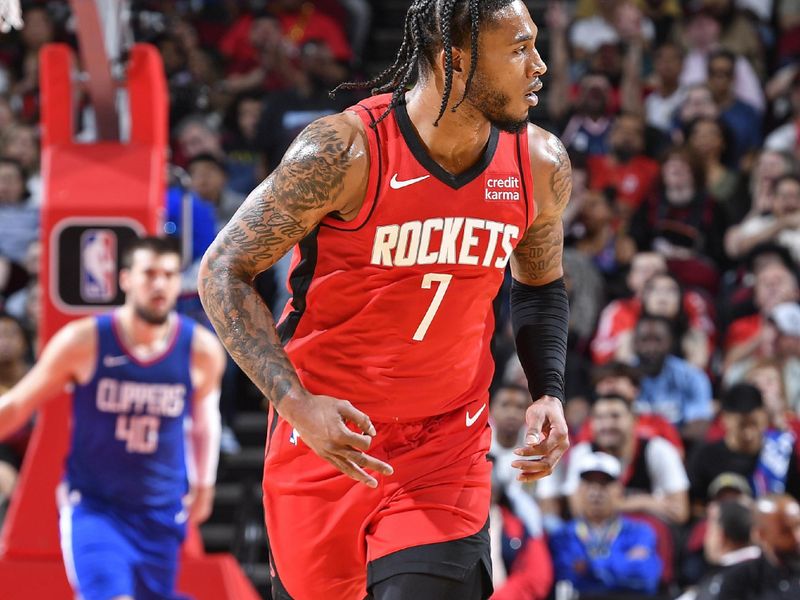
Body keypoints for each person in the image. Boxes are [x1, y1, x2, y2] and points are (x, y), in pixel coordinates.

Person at [197, 1, 571, 598]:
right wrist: (295, 405)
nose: (541, 66)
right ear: (457, 59)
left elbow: (542, 284)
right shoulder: (344, 151)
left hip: (447, 443)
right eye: (520, 49)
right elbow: (222, 271)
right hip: (330, 438)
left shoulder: (539, 164)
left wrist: (547, 389)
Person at [0, 237, 226, 600]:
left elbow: (204, 423)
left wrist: (204, 485)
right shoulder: (84, 341)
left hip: (160, 510)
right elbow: (19, 405)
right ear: (125, 279)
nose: (159, 284)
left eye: (168, 275)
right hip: (95, 507)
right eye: (149, 273)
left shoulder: (201, 350)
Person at [562, 394, 690, 526]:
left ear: (634, 419)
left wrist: (608, 506)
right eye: (599, 418)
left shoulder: (658, 450)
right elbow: (578, 510)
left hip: (649, 537)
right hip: (600, 537)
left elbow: (680, 513)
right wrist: (644, 502)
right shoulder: (583, 453)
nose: (607, 425)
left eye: (615, 416)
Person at [548, 451, 662, 597]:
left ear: (619, 490)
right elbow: (568, 578)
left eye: (604, 484)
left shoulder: (640, 532)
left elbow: (647, 579)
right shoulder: (563, 536)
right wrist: (625, 562)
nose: (596, 492)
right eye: (589, 484)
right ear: (578, 490)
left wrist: (589, 567)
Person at [687, 384, 800, 512]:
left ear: (764, 416)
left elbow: (794, 501)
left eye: (754, 424)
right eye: (741, 426)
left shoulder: (780, 452)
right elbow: (695, 507)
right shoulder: (705, 455)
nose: (748, 434)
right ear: (725, 419)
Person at [716, 494, 800, 599]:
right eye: (785, 531)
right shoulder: (740, 579)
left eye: (798, 525)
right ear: (761, 535)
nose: (797, 537)